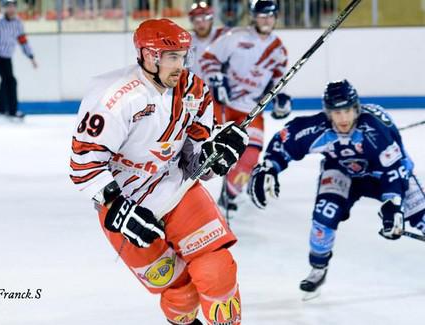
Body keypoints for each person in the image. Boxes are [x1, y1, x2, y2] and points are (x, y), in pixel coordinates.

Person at [69, 19, 248, 324]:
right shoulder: (113, 98)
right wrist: (117, 207)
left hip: (175, 189)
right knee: (182, 294)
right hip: (126, 204)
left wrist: (215, 155)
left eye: (182, 56)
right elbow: (84, 164)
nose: (180, 65)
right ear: (148, 56)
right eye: (171, 57)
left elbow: (195, 162)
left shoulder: (194, 91)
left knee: (217, 271)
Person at [248, 79, 425, 296]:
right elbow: (286, 139)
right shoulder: (319, 128)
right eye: (336, 112)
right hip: (343, 172)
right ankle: (318, 267)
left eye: (348, 111)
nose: (343, 118)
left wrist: (393, 204)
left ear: (356, 108)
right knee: (324, 215)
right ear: (327, 112)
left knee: (421, 214)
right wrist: (269, 168)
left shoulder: (375, 129)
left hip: (385, 174)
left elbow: (395, 169)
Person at [199, 0, 292, 213]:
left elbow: (277, 84)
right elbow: (208, 59)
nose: (266, 19)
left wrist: (281, 100)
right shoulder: (236, 37)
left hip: (252, 109)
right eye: (262, 15)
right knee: (205, 151)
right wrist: (217, 80)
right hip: (222, 105)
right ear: (253, 16)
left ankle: (229, 194)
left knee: (250, 157)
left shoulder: (279, 51)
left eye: (270, 15)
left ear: (276, 17)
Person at [0, 0, 37, 119]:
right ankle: (12, 111)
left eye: (13, 6)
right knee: (11, 81)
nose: (11, 9)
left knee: (5, 81)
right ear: (4, 8)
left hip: (7, 57)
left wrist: (31, 56)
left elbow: (23, 41)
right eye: (9, 7)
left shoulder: (18, 23)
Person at [188, 1, 227, 78]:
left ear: (211, 20)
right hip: (195, 88)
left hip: (221, 88)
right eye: (196, 20)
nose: (201, 24)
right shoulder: (187, 42)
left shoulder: (223, 36)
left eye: (204, 19)